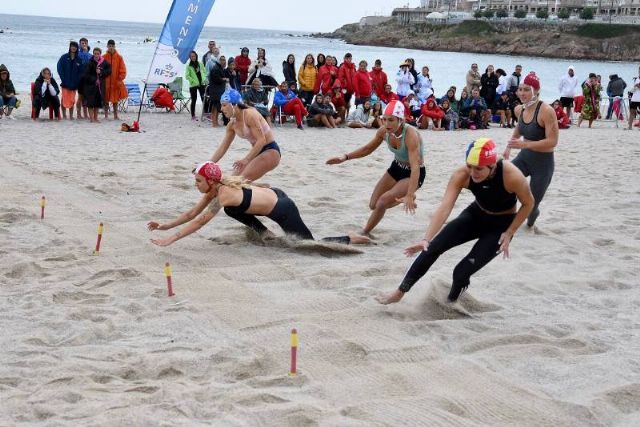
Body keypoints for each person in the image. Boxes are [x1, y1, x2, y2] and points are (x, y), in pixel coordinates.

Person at [375, 138, 534, 305]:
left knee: (461, 272)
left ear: (492, 166)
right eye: (469, 166)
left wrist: (510, 232)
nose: (473, 173)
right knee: (431, 247)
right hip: (476, 215)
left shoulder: (512, 176)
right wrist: (426, 239)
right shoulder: (462, 174)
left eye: (479, 168)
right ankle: (399, 293)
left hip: (501, 225)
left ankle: (451, 304)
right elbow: (445, 207)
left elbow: (528, 203)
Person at [148, 161, 370, 247]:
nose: (195, 185)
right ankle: (264, 233)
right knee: (232, 209)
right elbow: (191, 213)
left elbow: (199, 222)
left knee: (307, 244)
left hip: (283, 209)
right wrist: (164, 226)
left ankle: (351, 238)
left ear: (210, 180)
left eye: (198, 181)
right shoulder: (215, 188)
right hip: (273, 195)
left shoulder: (222, 193)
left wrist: (171, 240)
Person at [326, 100, 425, 236]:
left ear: (400, 120)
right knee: (374, 205)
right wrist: (345, 157)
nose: (387, 124)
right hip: (396, 167)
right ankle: (407, 197)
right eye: (384, 119)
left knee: (383, 202)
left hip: (414, 173)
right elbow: (367, 149)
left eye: (391, 120)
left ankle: (365, 232)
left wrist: (409, 192)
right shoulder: (383, 131)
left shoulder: (411, 135)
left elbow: (415, 168)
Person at [504, 72, 559, 229]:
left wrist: (525, 145)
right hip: (524, 158)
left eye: (527, 89)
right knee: (504, 183)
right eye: (520, 89)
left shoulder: (547, 111)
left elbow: (553, 142)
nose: (522, 93)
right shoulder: (519, 110)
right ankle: (503, 218)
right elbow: (519, 128)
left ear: (536, 91)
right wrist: (508, 147)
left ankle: (532, 219)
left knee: (531, 206)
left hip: (543, 164)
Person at [212, 89, 280, 181]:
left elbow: (261, 140)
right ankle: (262, 188)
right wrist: (208, 163)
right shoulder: (232, 124)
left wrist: (246, 159)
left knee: (238, 182)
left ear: (234, 104)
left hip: (270, 151)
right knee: (231, 180)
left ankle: (264, 192)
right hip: (255, 153)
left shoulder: (250, 114)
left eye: (224, 105)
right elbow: (223, 147)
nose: (221, 109)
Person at [80, 47, 111, 123]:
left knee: (97, 103)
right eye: (95, 54)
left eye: (98, 54)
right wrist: (94, 80)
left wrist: (101, 72)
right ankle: (91, 119)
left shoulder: (104, 62)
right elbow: (85, 75)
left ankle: (96, 118)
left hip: (99, 86)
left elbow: (109, 70)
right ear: (93, 54)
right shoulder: (89, 62)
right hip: (90, 85)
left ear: (100, 54)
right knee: (90, 102)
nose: (96, 55)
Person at [56, 41, 83, 120]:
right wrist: (63, 78)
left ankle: (71, 115)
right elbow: (59, 68)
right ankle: (64, 115)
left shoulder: (79, 59)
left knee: (72, 100)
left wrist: (77, 81)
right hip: (65, 82)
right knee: (64, 99)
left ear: (77, 48)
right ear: (70, 47)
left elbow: (81, 72)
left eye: (75, 46)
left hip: (74, 84)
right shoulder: (64, 57)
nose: (73, 48)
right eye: (72, 46)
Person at [102, 40, 127, 120]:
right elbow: (100, 68)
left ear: (114, 46)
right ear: (107, 46)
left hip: (115, 81)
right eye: (109, 46)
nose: (111, 47)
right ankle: (106, 115)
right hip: (106, 81)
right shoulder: (103, 57)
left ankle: (115, 115)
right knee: (106, 99)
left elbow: (123, 69)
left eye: (112, 46)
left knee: (115, 100)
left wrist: (120, 78)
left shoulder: (119, 57)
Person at [185, 50, 206, 121]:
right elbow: (187, 76)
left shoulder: (200, 63)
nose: (193, 57)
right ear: (190, 58)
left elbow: (204, 72)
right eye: (191, 56)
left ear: (196, 56)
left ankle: (205, 114)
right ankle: (193, 116)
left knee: (204, 99)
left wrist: (204, 79)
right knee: (194, 100)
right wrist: (193, 81)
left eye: (194, 56)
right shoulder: (189, 66)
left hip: (201, 84)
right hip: (193, 85)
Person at [206, 55, 226, 127]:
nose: (223, 61)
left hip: (218, 90)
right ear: (218, 60)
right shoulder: (216, 68)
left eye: (224, 60)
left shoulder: (219, 68)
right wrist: (224, 79)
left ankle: (215, 122)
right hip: (215, 91)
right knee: (215, 107)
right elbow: (216, 79)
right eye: (221, 60)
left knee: (217, 107)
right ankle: (214, 123)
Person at [76, 37, 92, 119]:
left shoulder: (90, 55)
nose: (84, 45)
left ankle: (85, 114)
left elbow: (91, 64)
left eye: (85, 43)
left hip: (88, 79)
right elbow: (81, 63)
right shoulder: (77, 54)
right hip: (80, 78)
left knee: (86, 97)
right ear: (79, 44)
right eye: (82, 43)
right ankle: (78, 113)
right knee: (80, 97)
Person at [628, 66, 640, 131]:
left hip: (636, 98)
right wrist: (636, 86)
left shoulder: (637, 79)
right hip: (635, 98)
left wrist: (638, 86)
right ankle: (629, 126)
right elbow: (633, 88)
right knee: (632, 112)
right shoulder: (637, 78)